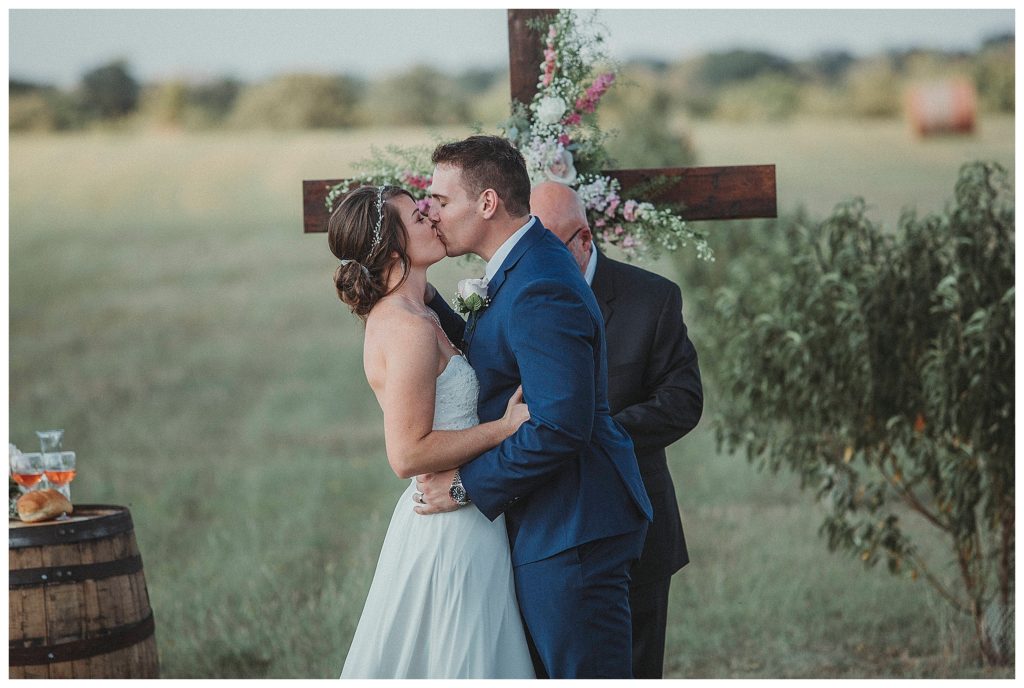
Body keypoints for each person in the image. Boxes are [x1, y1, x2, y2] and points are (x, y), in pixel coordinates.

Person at [418, 135, 653, 679]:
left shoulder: (540, 284)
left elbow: (559, 426)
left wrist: (464, 487)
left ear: (487, 203)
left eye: (442, 200)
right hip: (556, 521)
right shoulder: (523, 264)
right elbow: (500, 351)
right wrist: (427, 300)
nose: (433, 213)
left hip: (574, 529)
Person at [327, 184, 535, 679]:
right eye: (419, 219)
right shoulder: (406, 328)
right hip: (449, 526)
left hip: (471, 515)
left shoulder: (423, 312)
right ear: (395, 249)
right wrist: (502, 429)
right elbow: (407, 453)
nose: (434, 220)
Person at [529, 181, 703, 678]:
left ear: (583, 239)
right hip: (544, 530)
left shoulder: (653, 298)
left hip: (636, 521)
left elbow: (682, 401)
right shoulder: (519, 294)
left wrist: (591, 434)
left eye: (548, 245)